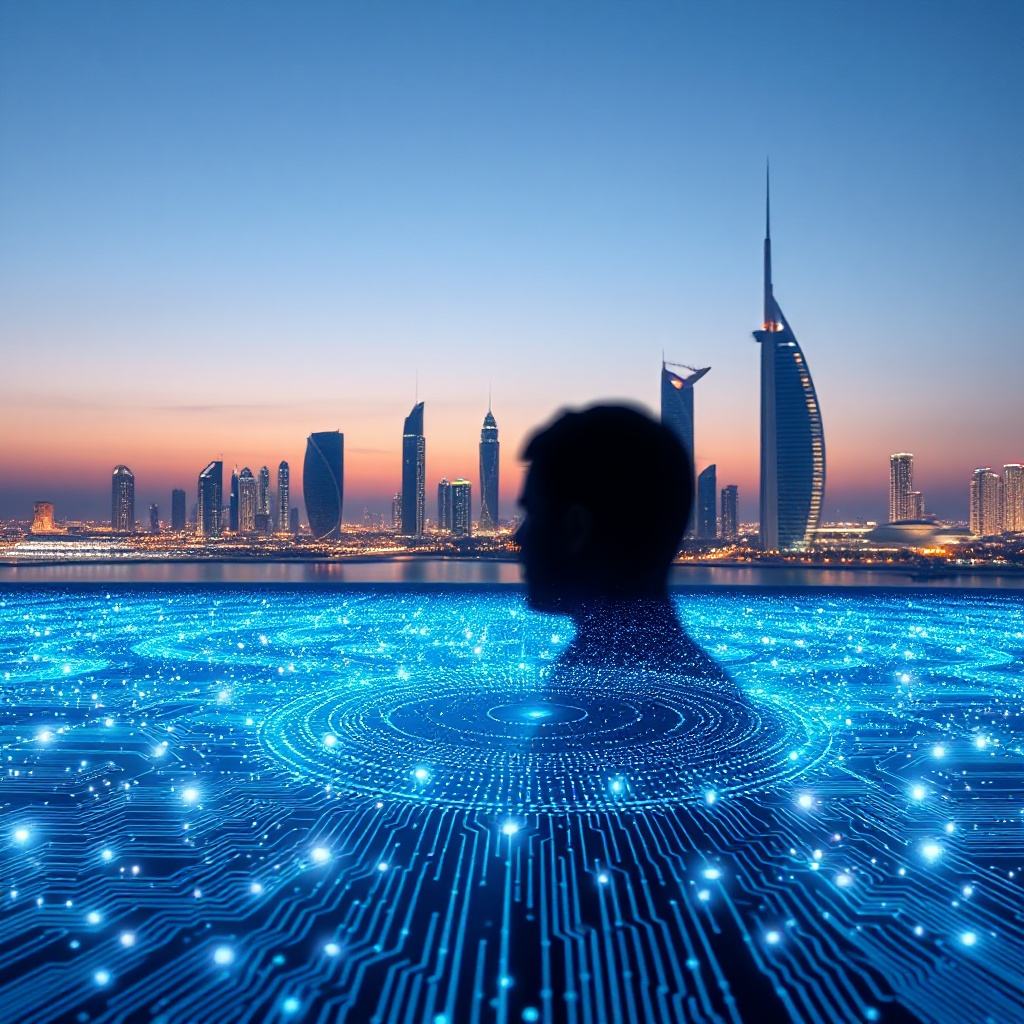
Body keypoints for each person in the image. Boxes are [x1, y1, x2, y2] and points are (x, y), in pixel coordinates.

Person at [515, 403, 727, 680]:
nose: (517, 537)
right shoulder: (697, 678)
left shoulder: (589, 681)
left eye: (531, 512)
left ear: (575, 529)